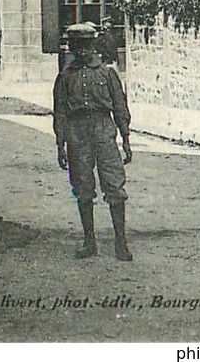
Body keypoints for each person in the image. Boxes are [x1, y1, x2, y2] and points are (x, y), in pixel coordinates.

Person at [53, 22, 134, 261]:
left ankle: (121, 242)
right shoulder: (65, 77)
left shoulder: (108, 74)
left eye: (85, 46)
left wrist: (126, 138)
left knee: (114, 186)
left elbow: (120, 107)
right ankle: (89, 241)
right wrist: (60, 144)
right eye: (76, 46)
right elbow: (60, 112)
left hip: (103, 130)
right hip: (77, 134)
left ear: (93, 45)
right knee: (83, 187)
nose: (81, 51)